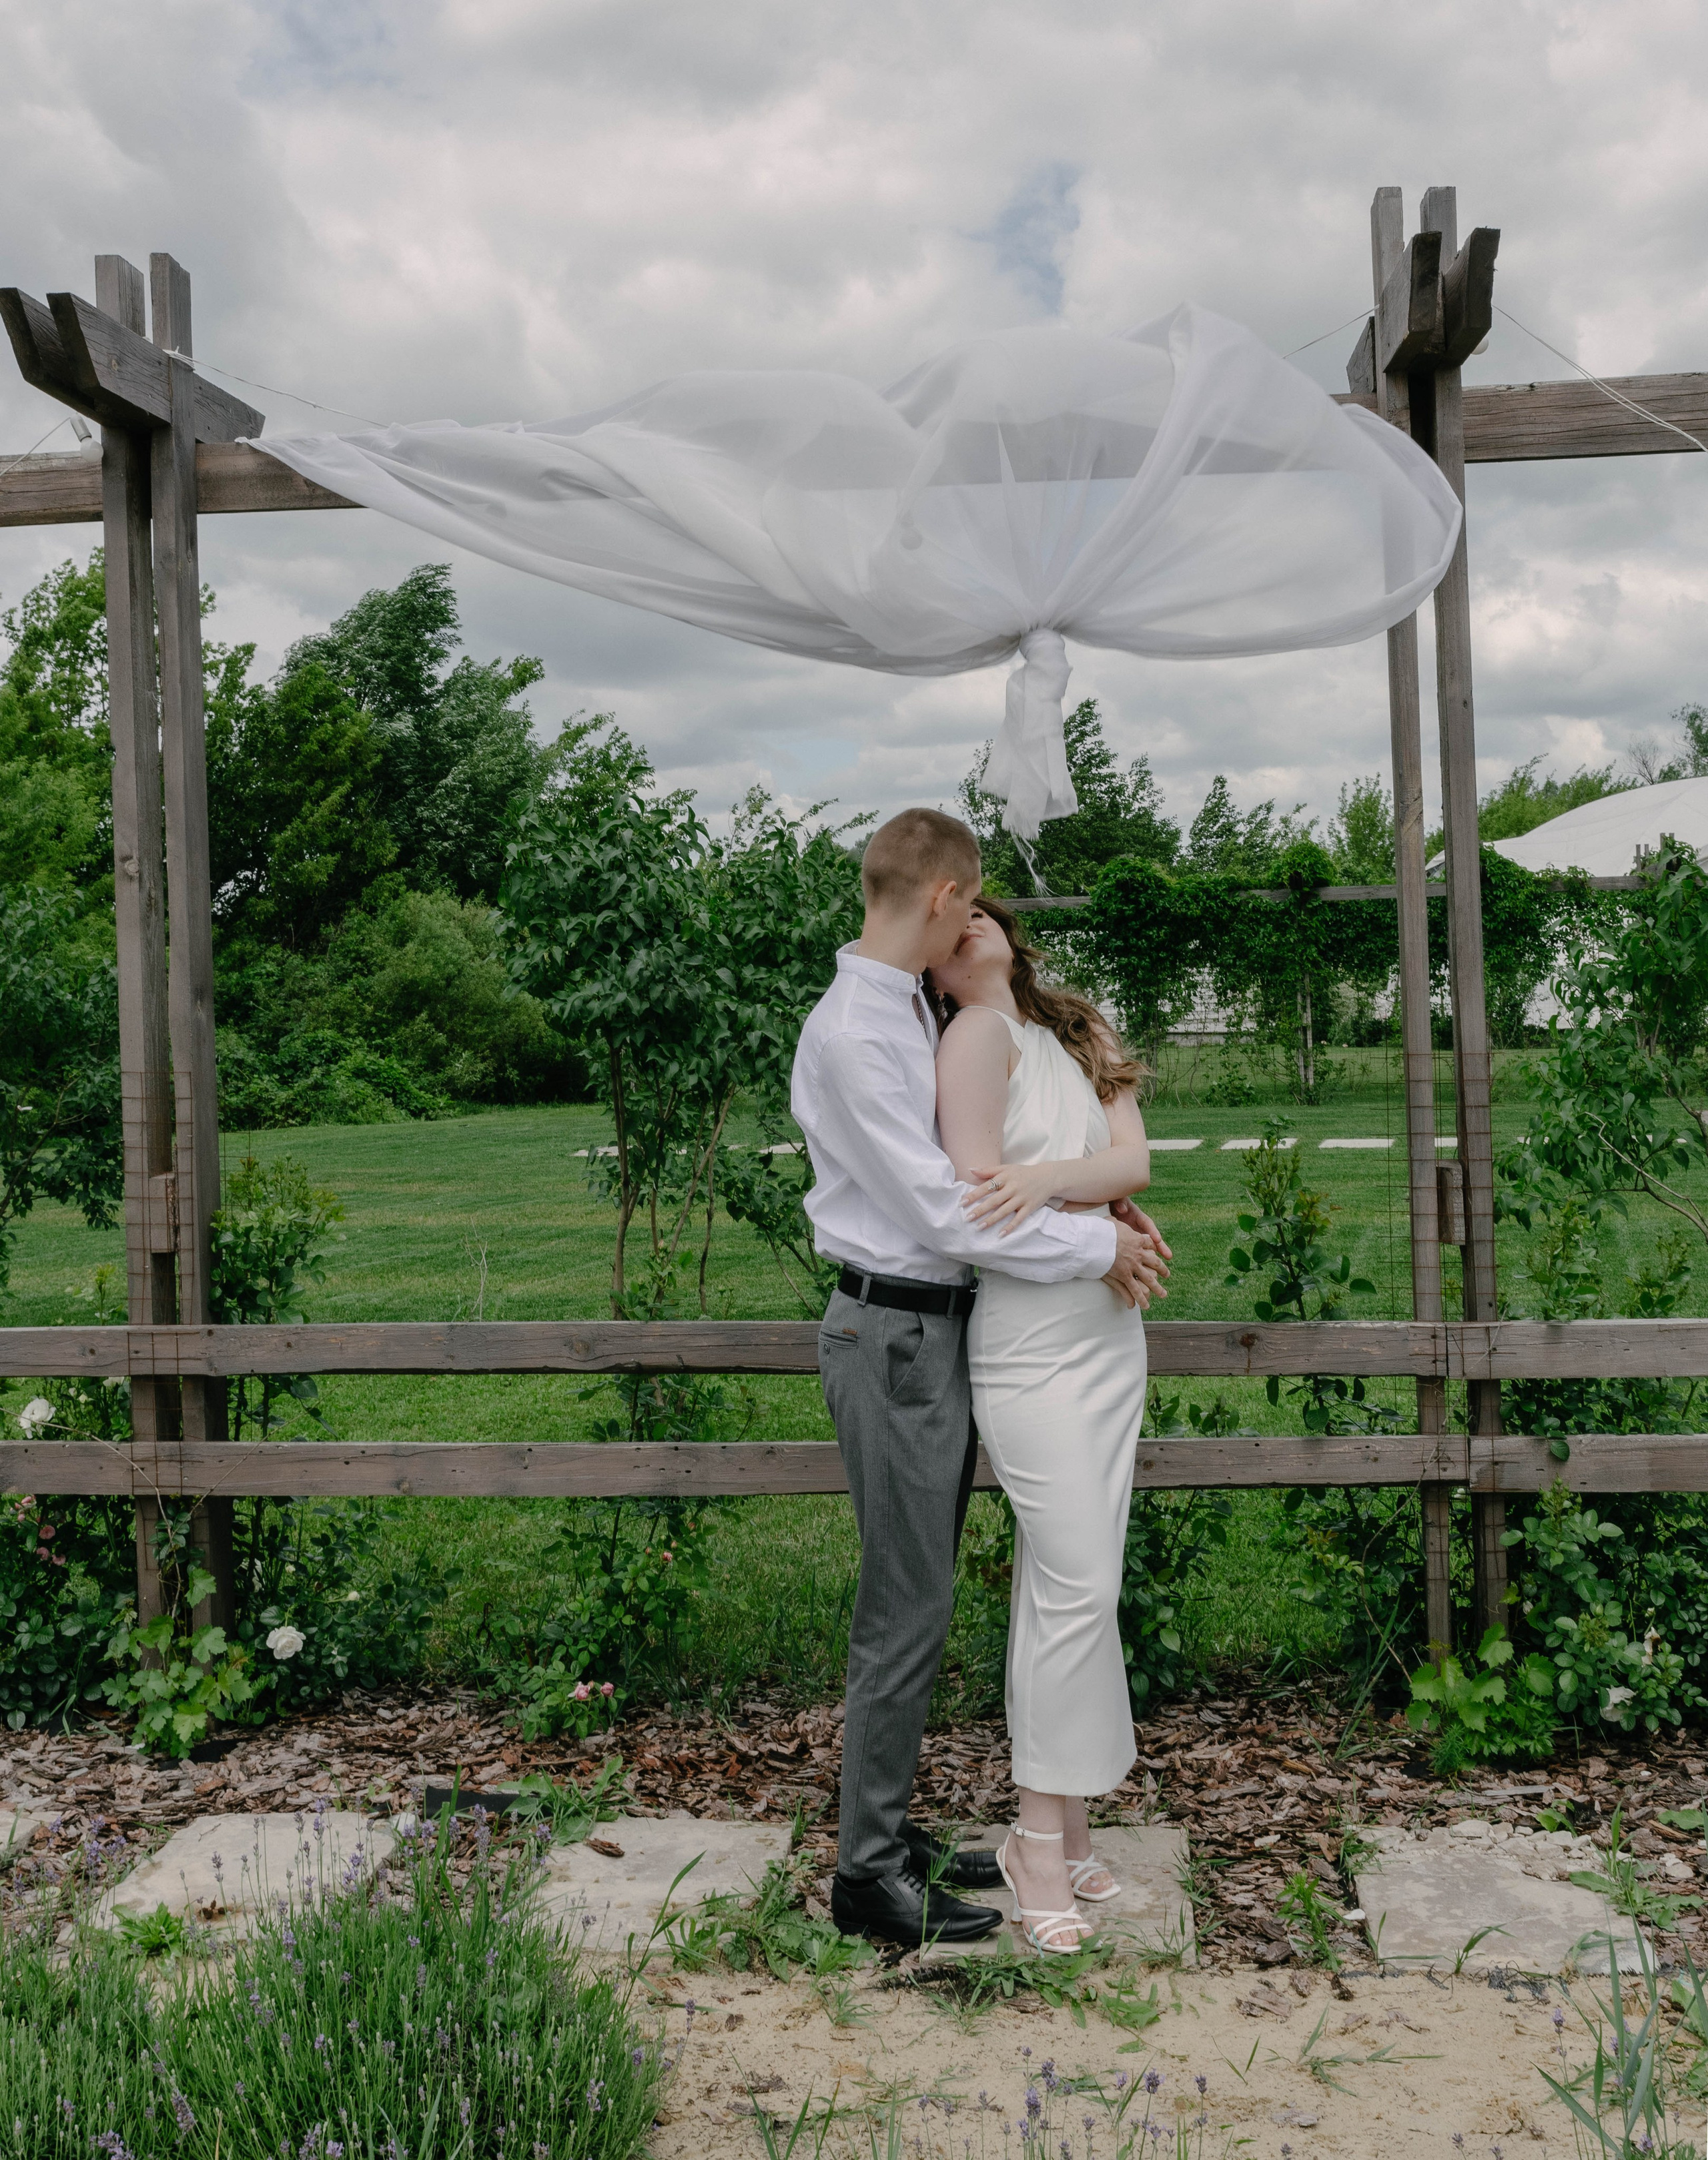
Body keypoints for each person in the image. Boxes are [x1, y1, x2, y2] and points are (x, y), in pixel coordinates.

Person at [791, 808, 1170, 1948]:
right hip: (894, 1331)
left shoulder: (909, 1003)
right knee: (906, 1603)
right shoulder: (859, 1030)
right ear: (950, 896)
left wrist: (1093, 1205)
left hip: (938, 1331)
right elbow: (951, 1208)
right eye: (977, 897)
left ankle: (891, 1832)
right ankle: (866, 1874)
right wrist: (1097, 1243)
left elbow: (1006, 1169)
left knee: (927, 1594)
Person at [927, 897, 1154, 1953]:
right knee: (1077, 1581)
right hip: (1029, 1346)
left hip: (1108, 1338)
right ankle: (1032, 1836)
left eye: (982, 907)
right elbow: (981, 1210)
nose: (968, 921)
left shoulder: (1076, 1029)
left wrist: (1058, 1187)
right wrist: (1084, 1215)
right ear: (932, 964)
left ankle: (1061, 1824)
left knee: (1070, 1583)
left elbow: (1130, 1165)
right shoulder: (969, 1037)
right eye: (949, 919)